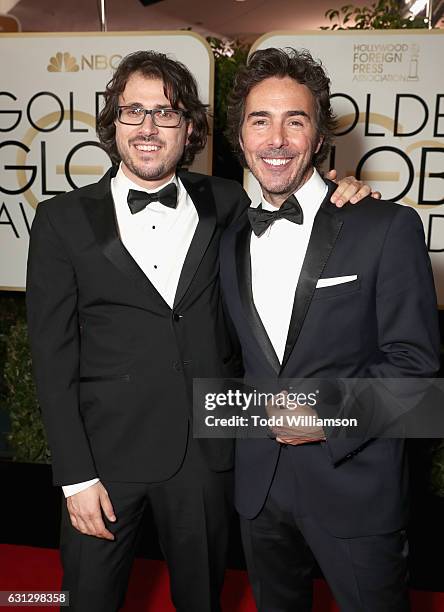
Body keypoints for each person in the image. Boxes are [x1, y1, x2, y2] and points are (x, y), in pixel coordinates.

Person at [26, 50, 374, 612]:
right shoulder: (62, 220)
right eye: (132, 110)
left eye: (165, 113)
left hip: (208, 458)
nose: (147, 127)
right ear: (113, 122)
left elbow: (300, 208)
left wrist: (346, 193)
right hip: (104, 462)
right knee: (86, 599)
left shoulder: (230, 203)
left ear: (188, 128)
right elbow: (52, 356)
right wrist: (75, 477)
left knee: (202, 600)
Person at [220, 47, 440, 612]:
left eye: (295, 121)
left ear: (319, 137)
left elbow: (417, 370)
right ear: (240, 136)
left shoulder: (385, 227)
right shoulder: (229, 239)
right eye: (259, 120)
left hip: (355, 487)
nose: (276, 139)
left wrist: (328, 417)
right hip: (259, 489)